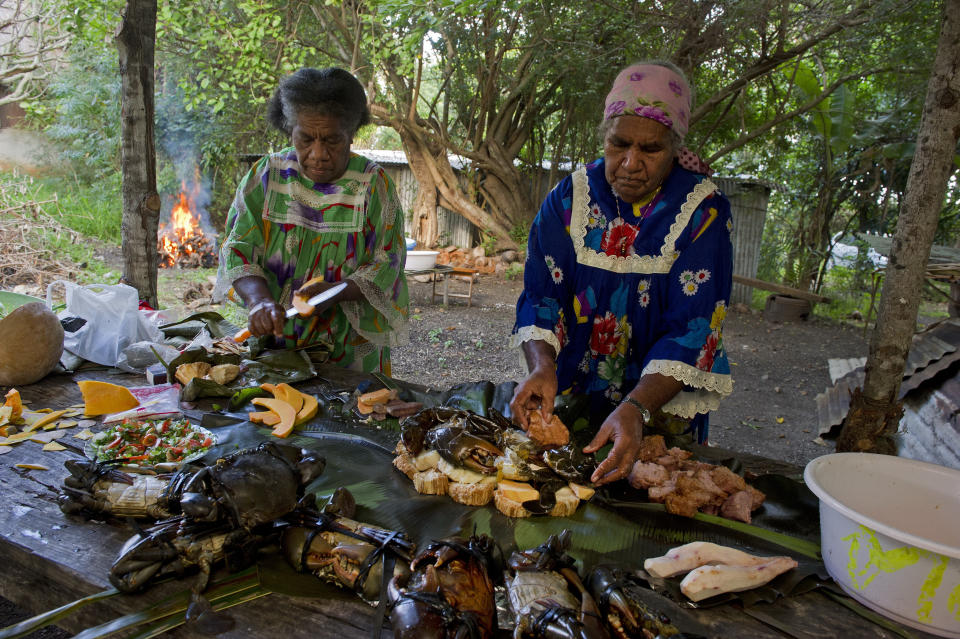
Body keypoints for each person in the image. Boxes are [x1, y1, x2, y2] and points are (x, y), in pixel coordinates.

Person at [509, 61, 733, 486]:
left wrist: (637, 408)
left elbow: (695, 327)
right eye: (619, 145)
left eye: (651, 150)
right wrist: (542, 367)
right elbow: (542, 294)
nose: (631, 163)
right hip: (572, 397)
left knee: (651, 504)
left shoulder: (701, 211)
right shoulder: (568, 199)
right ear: (604, 139)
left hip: (657, 411)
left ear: (674, 148)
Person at [214, 67, 409, 374]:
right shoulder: (266, 177)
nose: (318, 154)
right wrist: (260, 302)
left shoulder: (373, 185)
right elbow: (237, 249)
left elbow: (387, 263)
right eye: (305, 139)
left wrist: (335, 291)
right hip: (277, 351)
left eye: (332, 140)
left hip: (349, 354)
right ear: (289, 129)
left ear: (352, 133)